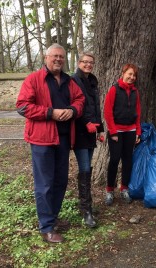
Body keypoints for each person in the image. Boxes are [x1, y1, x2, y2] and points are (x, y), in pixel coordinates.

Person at [16, 43, 85, 243]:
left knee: (60, 181)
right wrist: (50, 112)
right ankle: (46, 227)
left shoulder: (69, 81)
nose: (58, 60)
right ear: (46, 58)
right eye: (54, 56)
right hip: (42, 140)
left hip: (63, 139)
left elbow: (80, 100)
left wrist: (72, 110)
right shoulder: (34, 79)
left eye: (61, 57)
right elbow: (22, 107)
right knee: (44, 184)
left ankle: (52, 218)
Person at [71, 52, 104, 228]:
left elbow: (96, 107)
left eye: (90, 62)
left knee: (88, 168)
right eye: (84, 62)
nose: (88, 65)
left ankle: (85, 204)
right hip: (80, 132)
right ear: (79, 63)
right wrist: (87, 123)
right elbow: (76, 106)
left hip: (92, 131)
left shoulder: (93, 81)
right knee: (84, 169)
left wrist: (101, 129)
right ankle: (86, 211)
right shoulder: (74, 80)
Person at [103, 63, 141, 205]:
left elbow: (138, 112)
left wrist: (138, 131)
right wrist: (112, 131)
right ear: (123, 73)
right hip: (116, 132)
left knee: (127, 160)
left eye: (134, 75)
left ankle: (124, 188)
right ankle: (109, 190)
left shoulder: (135, 92)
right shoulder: (114, 89)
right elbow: (107, 111)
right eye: (129, 74)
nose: (132, 77)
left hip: (130, 130)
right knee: (114, 159)